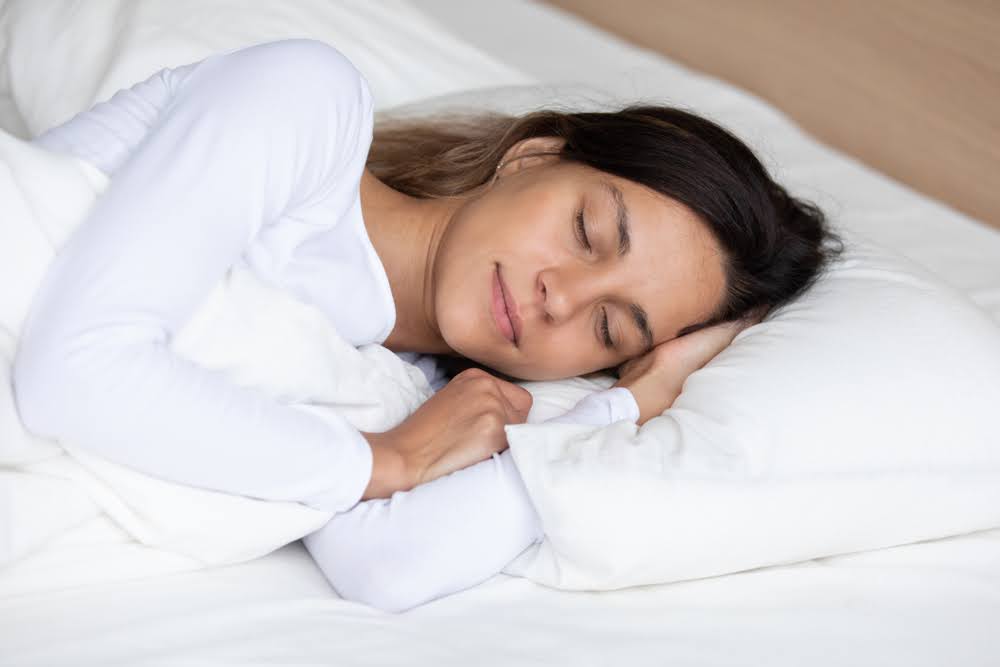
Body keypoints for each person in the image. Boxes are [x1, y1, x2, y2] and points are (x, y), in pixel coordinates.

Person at [12, 39, 842, 612]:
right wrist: (389, 459)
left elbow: (389, 563)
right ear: (534, 157)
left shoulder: (404, 393)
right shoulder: (307, 105)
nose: (561, 296)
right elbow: (73, 371)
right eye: (587, 232)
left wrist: (627, 405)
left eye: (610, 329)